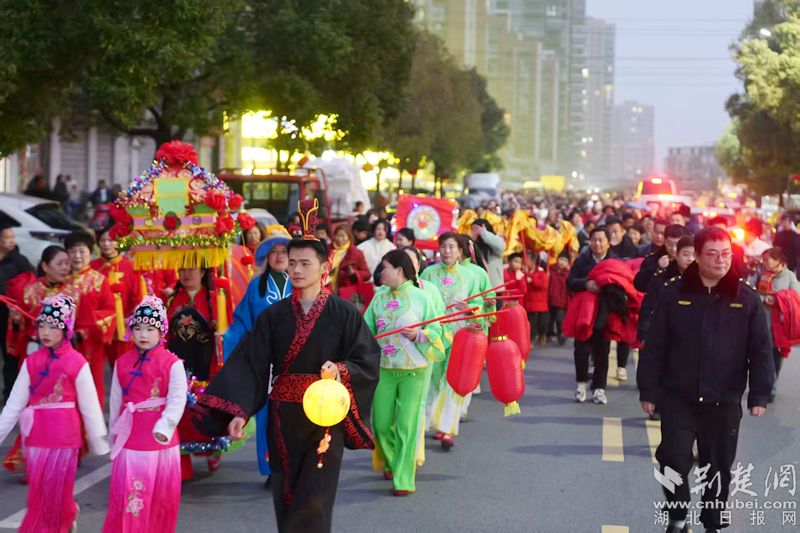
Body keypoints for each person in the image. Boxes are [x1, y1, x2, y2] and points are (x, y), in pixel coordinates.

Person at [192, 200, 380, 533]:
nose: (296, 270)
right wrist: (239, 411)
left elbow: (366, 358)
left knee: (315, 499)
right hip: (282, 417)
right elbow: (251, 363)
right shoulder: (273, 316)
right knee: (287, 494)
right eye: (292, 263)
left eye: (305, 263)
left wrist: (340, 370)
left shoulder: (343, 313)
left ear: (324, 266)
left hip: (324, 416)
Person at [637, 227, 774, 533]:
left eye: (726, 254)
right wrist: (649, 389)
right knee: (672, 458)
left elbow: (761, 351)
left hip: (723, 400)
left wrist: (759, 393)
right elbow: (656, 344)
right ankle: (678, 515)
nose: (720, 260)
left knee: (717, 468)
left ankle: (712, 524)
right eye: (712, 254)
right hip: (679, 397)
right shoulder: (674, 293)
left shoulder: (745, 298)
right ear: (697, 257)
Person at [0, 294, 109, 533]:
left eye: (53, 326)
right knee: (39, 490)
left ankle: (58, 522)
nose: (45, 332)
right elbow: (14, 405)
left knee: (57, 489)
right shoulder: (31, 362)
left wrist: (99, 441)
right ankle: (63, 514)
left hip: (65, 437)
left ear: (66, 328)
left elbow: (90, 406)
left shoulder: (76, 362)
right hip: (36, 437)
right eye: (42, 326)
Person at [365, 250, 444, 496]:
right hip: (384, 370)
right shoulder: (378, 298)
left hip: (414, 371)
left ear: (399, 270)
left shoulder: (423, 298)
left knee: (407, 426)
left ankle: (403, 479)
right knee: (380, 424)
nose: (381, 272)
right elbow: (365, 329)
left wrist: (419, 335)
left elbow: (436, 330)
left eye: (385, 267)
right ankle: (391, 461)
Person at [103, 296, 186, 533]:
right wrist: (113, 434)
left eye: (150, 329)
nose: (143, 334)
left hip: (160, 440)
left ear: (161, 331)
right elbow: (116, 401)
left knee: (161, 499)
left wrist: (165, 426)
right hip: (131, 437)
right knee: (131, 499)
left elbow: (177, 400)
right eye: (138, 328)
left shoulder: (172, 364)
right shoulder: (121, 362)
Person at [224, 227, 292, 485]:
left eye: (284, 251)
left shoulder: (301, 282)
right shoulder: (256, 286)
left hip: (295, 360)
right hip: (266, 361)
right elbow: (243, 321)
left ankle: (292, 467)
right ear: (266, 258)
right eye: (273, 252)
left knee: (292, 417)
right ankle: (271, 468)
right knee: (266, 417)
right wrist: (227, 338)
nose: (279, 256)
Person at [421, 232, 488, 450]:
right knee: (430, 379)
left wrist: (470, 309)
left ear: (460, 251)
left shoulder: (470, 276)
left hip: (459, 334)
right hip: (433, 335)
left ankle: (447, 427)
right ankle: (424, 423)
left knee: (452, 381)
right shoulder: (428, 273)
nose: (447, 251)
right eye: (443, 246)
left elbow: (479, 303)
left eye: (451, 247)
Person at [166, 267, 232, 480]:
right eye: (182, 270)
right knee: (179, 416)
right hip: (178, 365)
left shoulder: (215, 298)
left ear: (203, 272)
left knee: (205, 413)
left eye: (192, 270)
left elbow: (229, 329)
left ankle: (212, 450)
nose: (186, 274)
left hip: (206, 364)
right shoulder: (171, 300)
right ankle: (182, 464)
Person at [64, 230, 116, 406]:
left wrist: (86, 331)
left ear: (90, 253)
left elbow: (110, 311)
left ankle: (93, 422)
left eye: (82, 251)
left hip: (91, 343)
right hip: (63, 342)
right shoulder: (61, 280)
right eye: (73, 251)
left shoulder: (99, 280)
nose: (77, 256)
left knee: (92, 383)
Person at [567, 226, 612, 404]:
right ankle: (581, 385)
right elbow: (570, 281)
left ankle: (599, 389)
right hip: (583, 313)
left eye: (601, 240)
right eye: (594, 240)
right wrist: (586, 284)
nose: (597, 243)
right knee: (581, 349)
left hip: (604, 313)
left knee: (602, 351)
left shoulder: (613, 262)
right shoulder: (582, 261)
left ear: (608, 243)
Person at [90, 225, 142, 365]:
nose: (106, 244)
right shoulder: (92, 267)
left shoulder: (130, 267)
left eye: (111, 240)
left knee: (123, 367)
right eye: (103, 240)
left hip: (123, 327)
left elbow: (138, 299)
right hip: (98, 328)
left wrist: (130, 319)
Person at [759, 247, 800, 403]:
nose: (764, 263)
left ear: (778, 261)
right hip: (764, 321)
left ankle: (771, 386)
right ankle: (768, 386)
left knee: (776, 355)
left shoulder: (789, 275)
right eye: (763, 260)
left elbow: (795, 294)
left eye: (767, 260)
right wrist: (764, 299)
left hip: (781, 324)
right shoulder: (763, 274)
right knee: (765, 354)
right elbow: (754, 292)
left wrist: (777, 298)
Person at [0, 224, 34, 400]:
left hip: (10, 317)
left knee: (10, 357)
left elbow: (33, 283)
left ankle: (10, 396)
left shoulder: (19, 260)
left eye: (13, 236)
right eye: (8, 237)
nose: (12, 240)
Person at [524, 252, 550, 346]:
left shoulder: (541, 272)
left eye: (527, 259)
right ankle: (531, 340)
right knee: (530, 323)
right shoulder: (524, 272)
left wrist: (532, 281)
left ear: (533, 260)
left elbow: (544, 285)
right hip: (529, 303)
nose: (524, 261)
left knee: (542, 322)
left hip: (540, 302)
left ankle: (542, 335)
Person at [471, 218, 506, 286]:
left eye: (476, 229)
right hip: (479, 287)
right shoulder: (472, 247)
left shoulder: (494, 245)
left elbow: (501, 246)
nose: (474, 232)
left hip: (495, 287)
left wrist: (483, 233)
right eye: (472, 229)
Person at [547, 253, 570, 345]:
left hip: (562, 301)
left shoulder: (568, 274)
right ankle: (550, 334)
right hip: (550, 299)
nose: (562, 262)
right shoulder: (550, 270)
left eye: (565, 260)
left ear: (568, 263)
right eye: (561, 259)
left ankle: (561, 334)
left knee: (560, 319)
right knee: (550, 319)